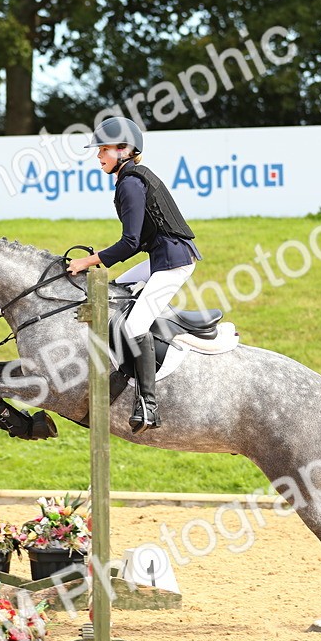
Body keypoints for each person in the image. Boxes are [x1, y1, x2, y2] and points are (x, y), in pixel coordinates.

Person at [66, 117, 201, 433]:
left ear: (124, 150)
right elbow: (139, 239)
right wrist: (101, 260)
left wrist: (90, 261)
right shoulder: (129, 178)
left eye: (103, 149)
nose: (98, 156)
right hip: (160, 257)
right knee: (116, 292)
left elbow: (130, 242)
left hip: (173, 261)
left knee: (135, 324)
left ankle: (148, 405)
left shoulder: (130, 183)